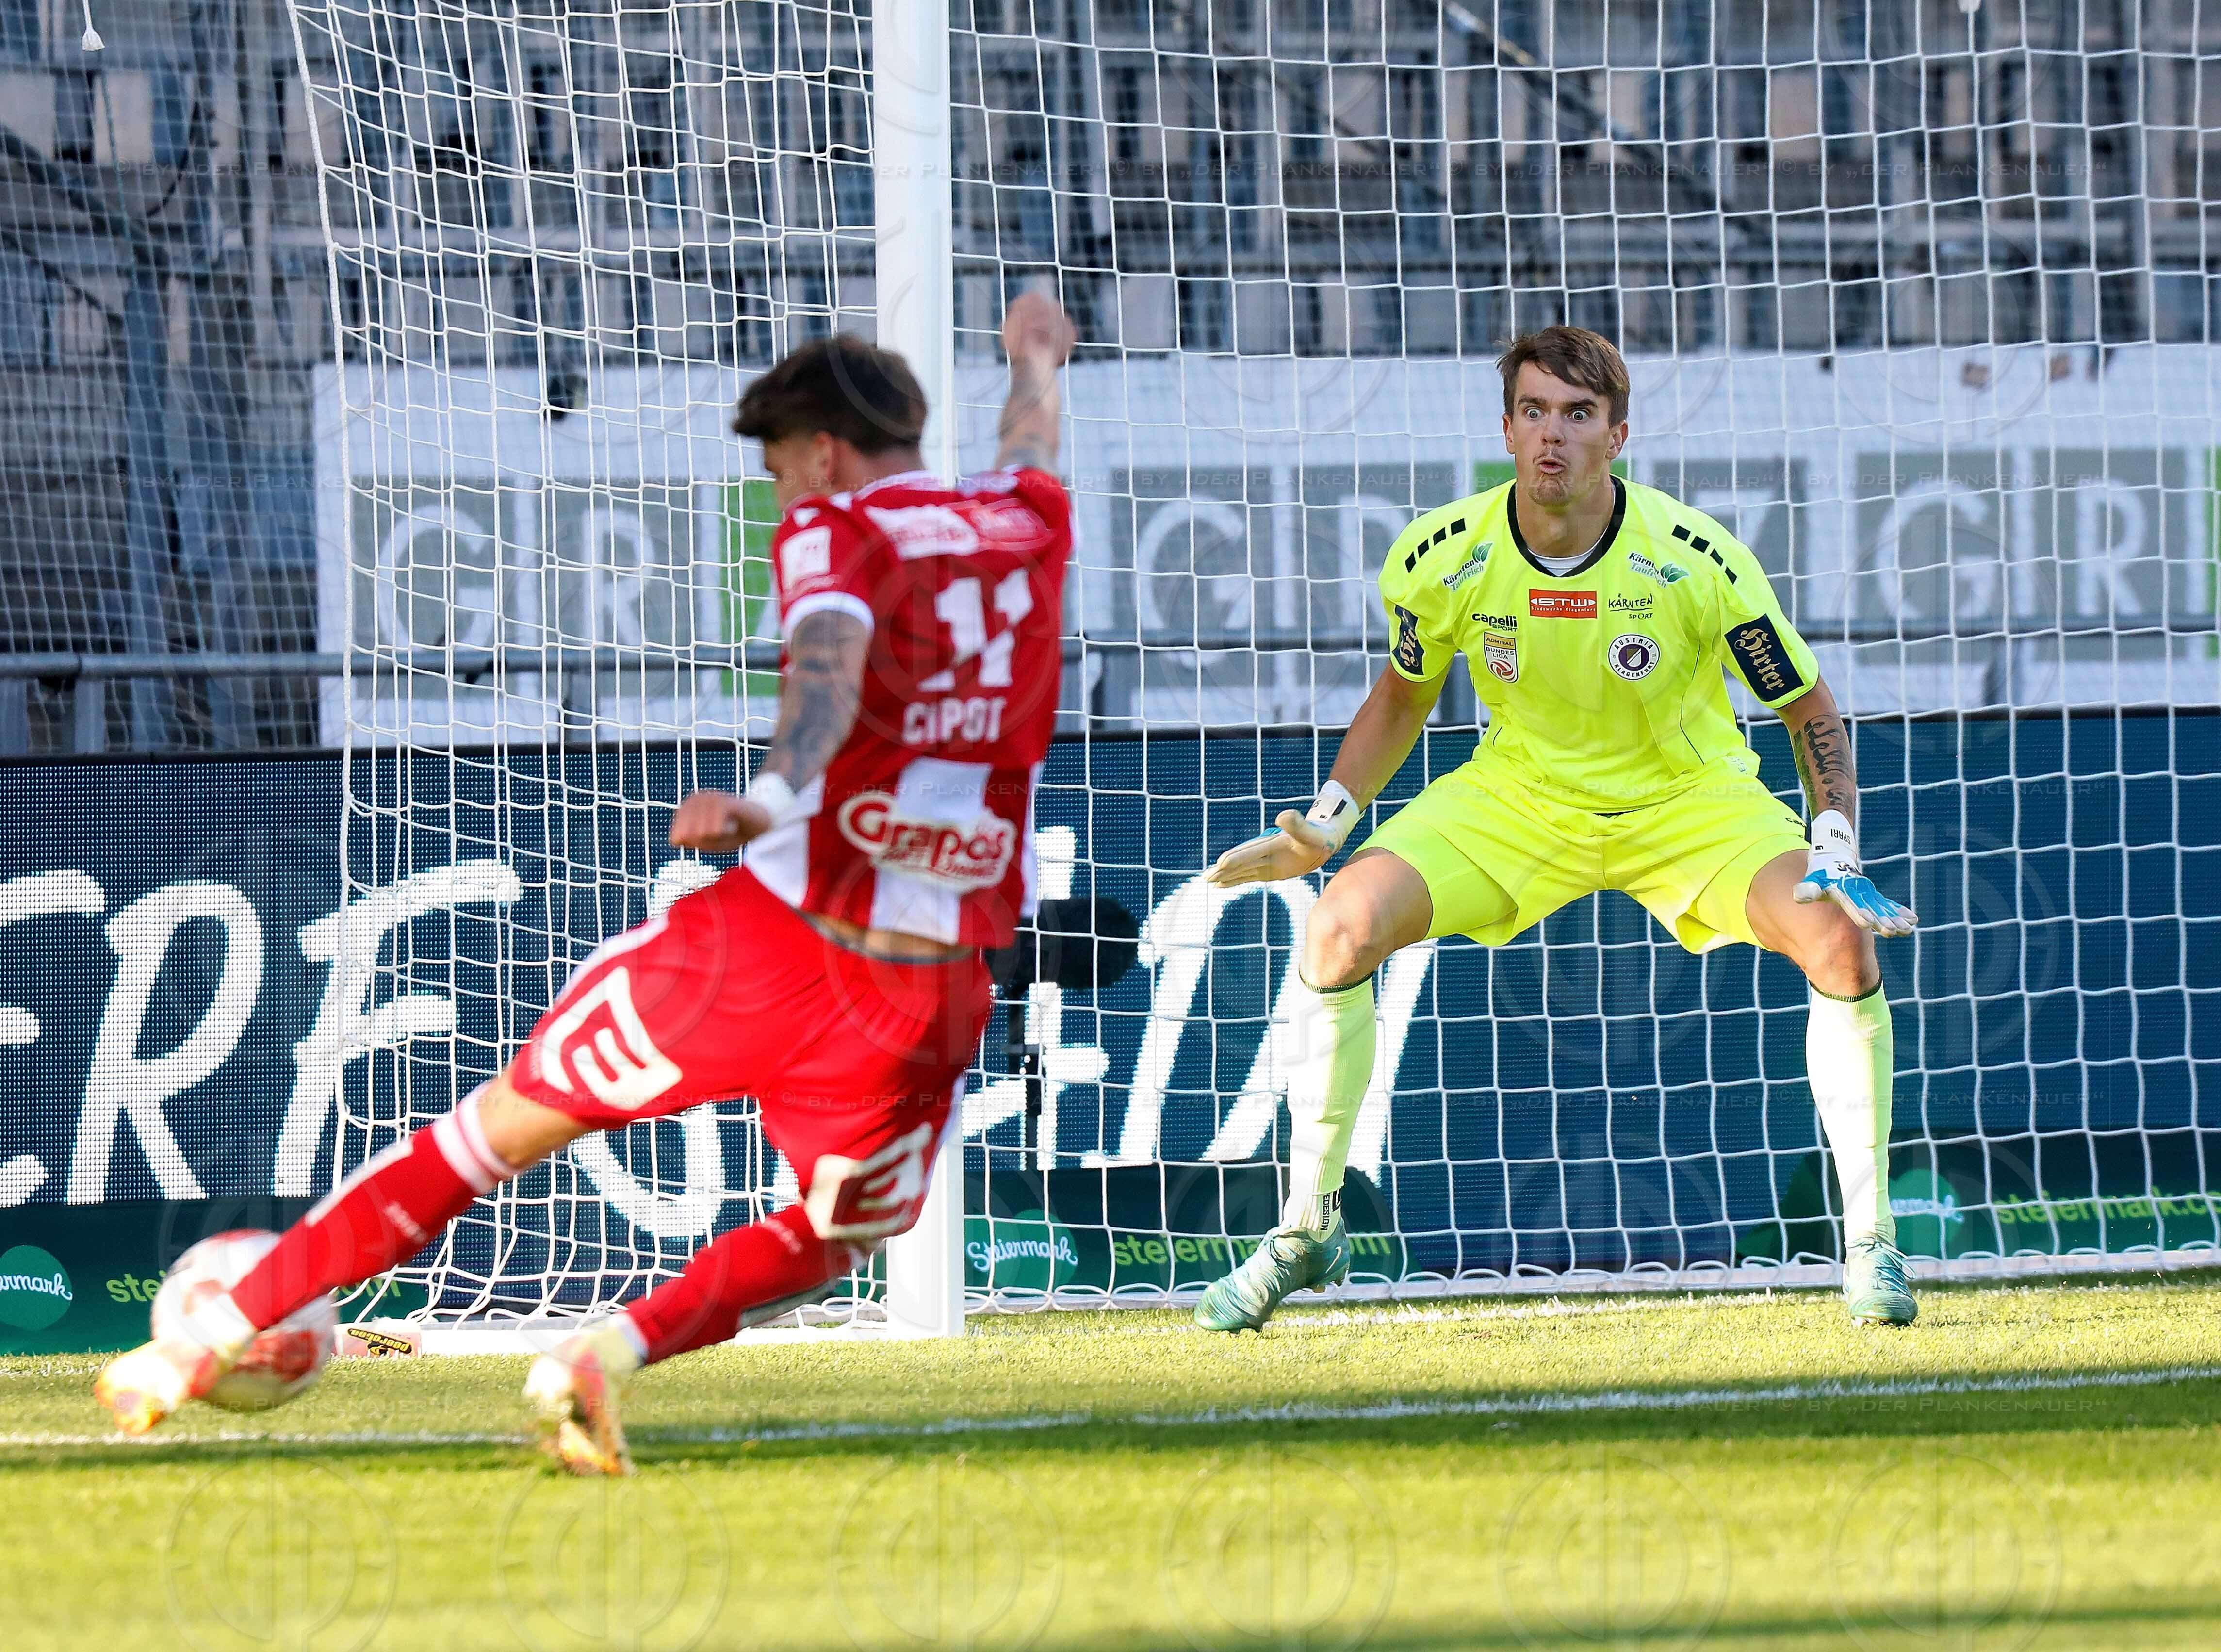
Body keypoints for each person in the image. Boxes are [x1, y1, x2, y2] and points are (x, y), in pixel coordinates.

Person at [96, 293, 1080, 1472]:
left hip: (769, 949)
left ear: (823, 449)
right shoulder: (1024, 518)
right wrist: (1035, 360)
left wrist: (769, 797)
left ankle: (205, 1340)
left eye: (777, 471)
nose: (783, 495)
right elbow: (1030, 441)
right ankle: (601, 1356)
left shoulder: (836, 529)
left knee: (491, 1135)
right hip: (921, 1000)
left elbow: (828, 667)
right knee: (832, 1237)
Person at [1196, 325, 1919, 1333]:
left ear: (1617, 436)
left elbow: (1806, 706)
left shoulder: (1697, 559)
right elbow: (1405, 693)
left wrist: (1835, 837)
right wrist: (1328, 823)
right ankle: (1307, 1227)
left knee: (1837, 940)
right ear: (1506, 428)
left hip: (1690, 803)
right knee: (1339, 923)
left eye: (1578, 415)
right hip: (1518, 800)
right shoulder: (1446, 555)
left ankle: (1871, 1239)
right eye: (1534, 412)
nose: (1553, 437)